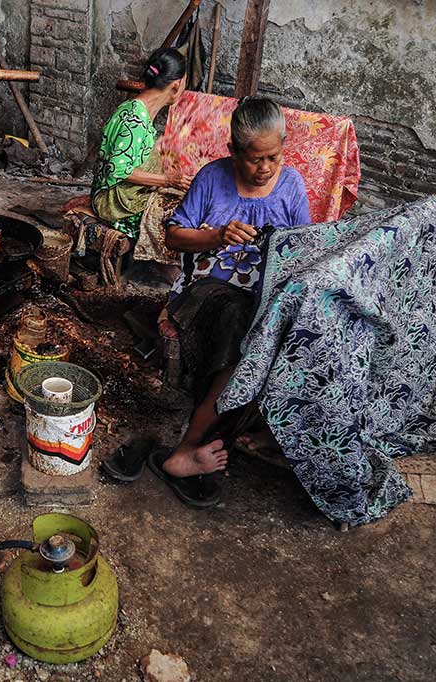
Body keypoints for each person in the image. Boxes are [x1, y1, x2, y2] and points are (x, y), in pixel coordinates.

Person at [106, 97, 311, 506]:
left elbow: (302, 247)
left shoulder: (291, 186)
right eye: (255, 159)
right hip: (208, 287)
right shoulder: (211, 178)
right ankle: (187, 450)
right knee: (243, 328)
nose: (265, 167)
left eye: (273, 157)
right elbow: (174, 236)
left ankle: (273, 432)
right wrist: (217, 235)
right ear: (234, 150)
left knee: (309, 326)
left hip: (266, 285)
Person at [91, 48, 192, 241]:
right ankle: (159, 269)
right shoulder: (134, 120)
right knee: (179, 219)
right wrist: (169, 180)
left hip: (119, 194)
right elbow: (119, 171)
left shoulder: (138, 109)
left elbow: (136, 149)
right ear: (176, 85)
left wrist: (161, 144)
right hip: (113, 203)